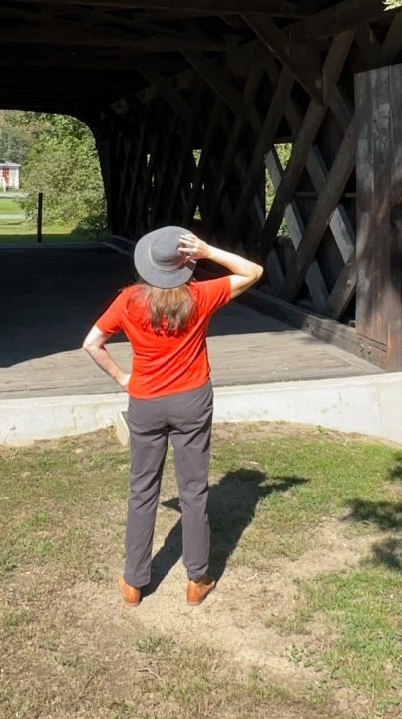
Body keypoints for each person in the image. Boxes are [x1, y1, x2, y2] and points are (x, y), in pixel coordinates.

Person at [82, 226, 263, 607]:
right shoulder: (201, 295)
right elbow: (253, 272)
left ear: (148, 265)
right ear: (185, 264)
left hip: (146, 402)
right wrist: (210, 250)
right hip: (192, 401)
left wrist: (122, 378)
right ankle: (198, 580)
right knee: (194, 491)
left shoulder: (129, 300)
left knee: (142, 488)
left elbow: (92, 342)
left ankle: (134, 583)